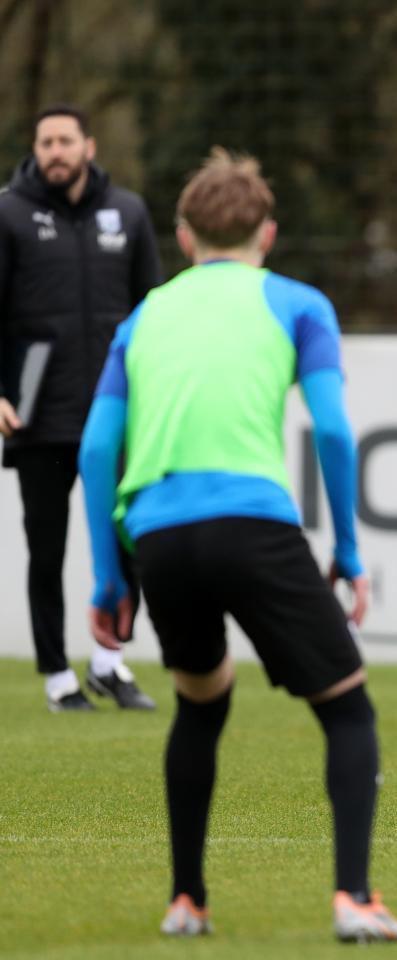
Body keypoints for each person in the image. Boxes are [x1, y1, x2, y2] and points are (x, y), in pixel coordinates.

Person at [78, 149, 397, 942]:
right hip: (253, 524)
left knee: (202, 699)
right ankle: (354, 899)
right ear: (267, 232)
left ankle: (187, 901)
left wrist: (106, 574)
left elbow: (98, 450)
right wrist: (350, 549)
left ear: (184, 235)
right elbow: (332, 427)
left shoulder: (143, 316)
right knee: (347, 709)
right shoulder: (298, 303)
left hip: (158, 534)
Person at [0, 104, 161, 711]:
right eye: (46, 142)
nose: (56, 151)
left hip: (120, 414)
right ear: (35, 149)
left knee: (130, 542)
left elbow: (153, 309)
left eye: (66, 140)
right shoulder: (8, 213)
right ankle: (56, 677)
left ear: (88, 146)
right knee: (46, 547)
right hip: (38, 416)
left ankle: (109, 663)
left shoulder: (129, 211)